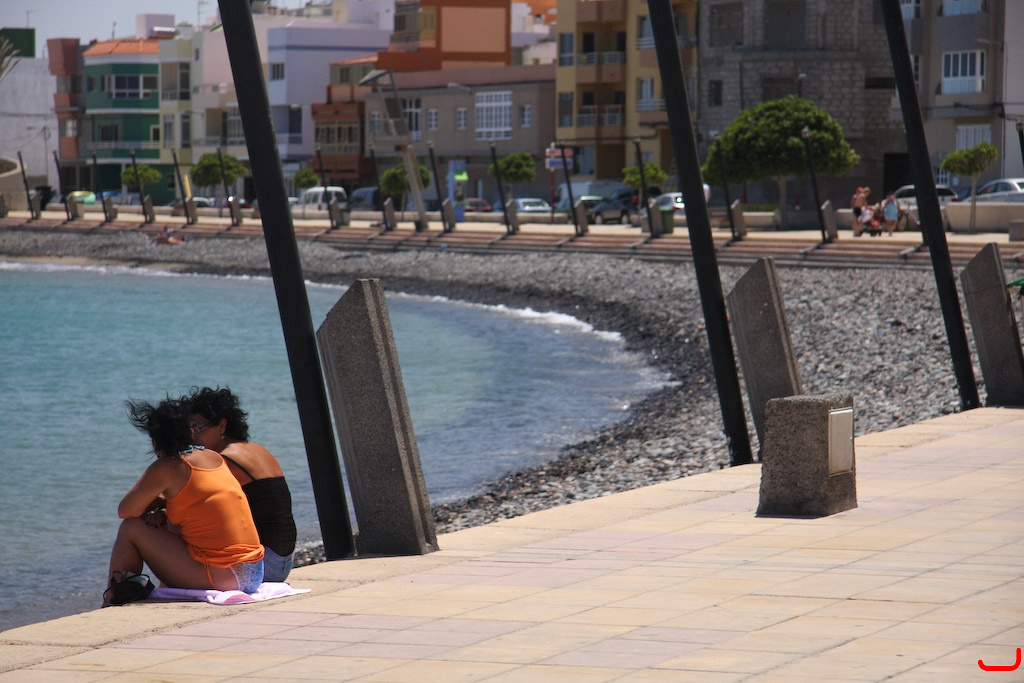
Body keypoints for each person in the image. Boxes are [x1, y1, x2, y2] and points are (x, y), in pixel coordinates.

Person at [104, 398, 264, 606]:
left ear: (155, 442)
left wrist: (153, 507)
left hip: (226, 577)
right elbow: (200, 505)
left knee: (131, 527)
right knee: (173, 528)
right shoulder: (212, 457)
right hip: (254, 571)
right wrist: (162, 510)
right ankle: (124, 595)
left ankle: (111, 601)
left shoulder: (167, 466)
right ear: (191, 431)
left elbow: (126, 510)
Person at [185, 387, 297, 582]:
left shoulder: (225, 459)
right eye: (190, 429)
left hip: (263, 566)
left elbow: (184, 497)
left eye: (199, 427)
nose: (193, 435)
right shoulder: (256, 450)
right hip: (282, 561)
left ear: (222, 426)